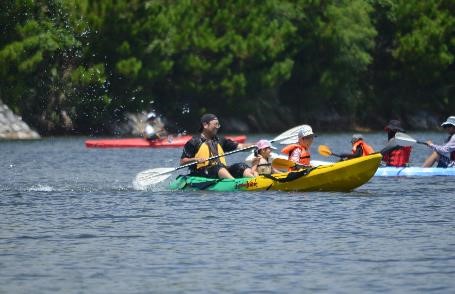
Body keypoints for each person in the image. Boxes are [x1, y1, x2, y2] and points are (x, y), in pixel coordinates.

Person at [180, 113, 255, 179]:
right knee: (218, 167)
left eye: (218, 124)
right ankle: (234, 183)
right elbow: (182, 162)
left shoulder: (221, 140)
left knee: (241, 166)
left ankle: (254, 179)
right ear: (205, 125)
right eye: (215, 124)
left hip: (221, 170)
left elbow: (241, 146)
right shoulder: (193, 142)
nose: (217, 127)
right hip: (202, 173)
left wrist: (255, 145)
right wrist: (196, 159)